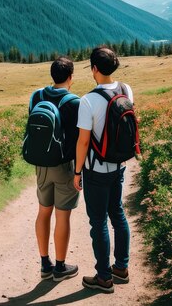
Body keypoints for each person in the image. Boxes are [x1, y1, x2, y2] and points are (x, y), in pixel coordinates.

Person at [73, 46, 132, 293]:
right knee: (117, 213)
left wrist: (77, 172)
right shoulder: (126, 89)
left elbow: (83, 141)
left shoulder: (88, 100)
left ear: (94, 69)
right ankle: (121, 267)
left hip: (95, 170)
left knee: (98, 222)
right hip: (118, 165)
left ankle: (104, 277)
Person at [30, 57, 80, 282]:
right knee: (63, 216)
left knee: (43, 212)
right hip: (63, 166)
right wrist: (79, 171)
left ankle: (44, 263)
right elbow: (79, 140)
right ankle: (60, 267)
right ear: (70, 77)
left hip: (41, 164)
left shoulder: (37, 96)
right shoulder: (74, 102)